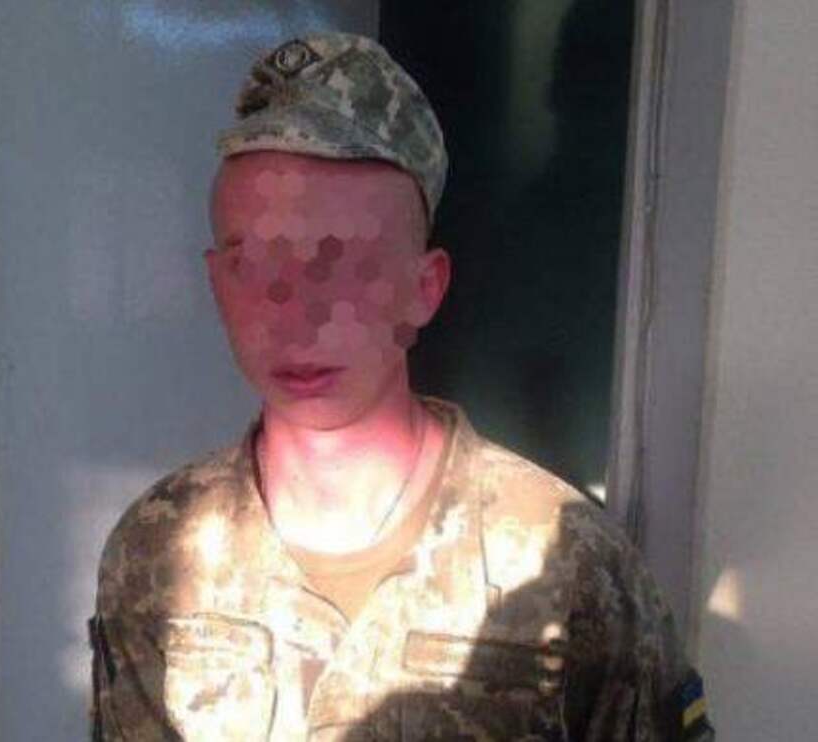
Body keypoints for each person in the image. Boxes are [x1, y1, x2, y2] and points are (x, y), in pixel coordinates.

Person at [89, 32, 713, 741]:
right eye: (255, 262)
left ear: (425, 288)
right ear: (216, 283)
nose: (296, 312)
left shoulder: (567, 563)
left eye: (341, 260)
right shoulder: (154, 550)